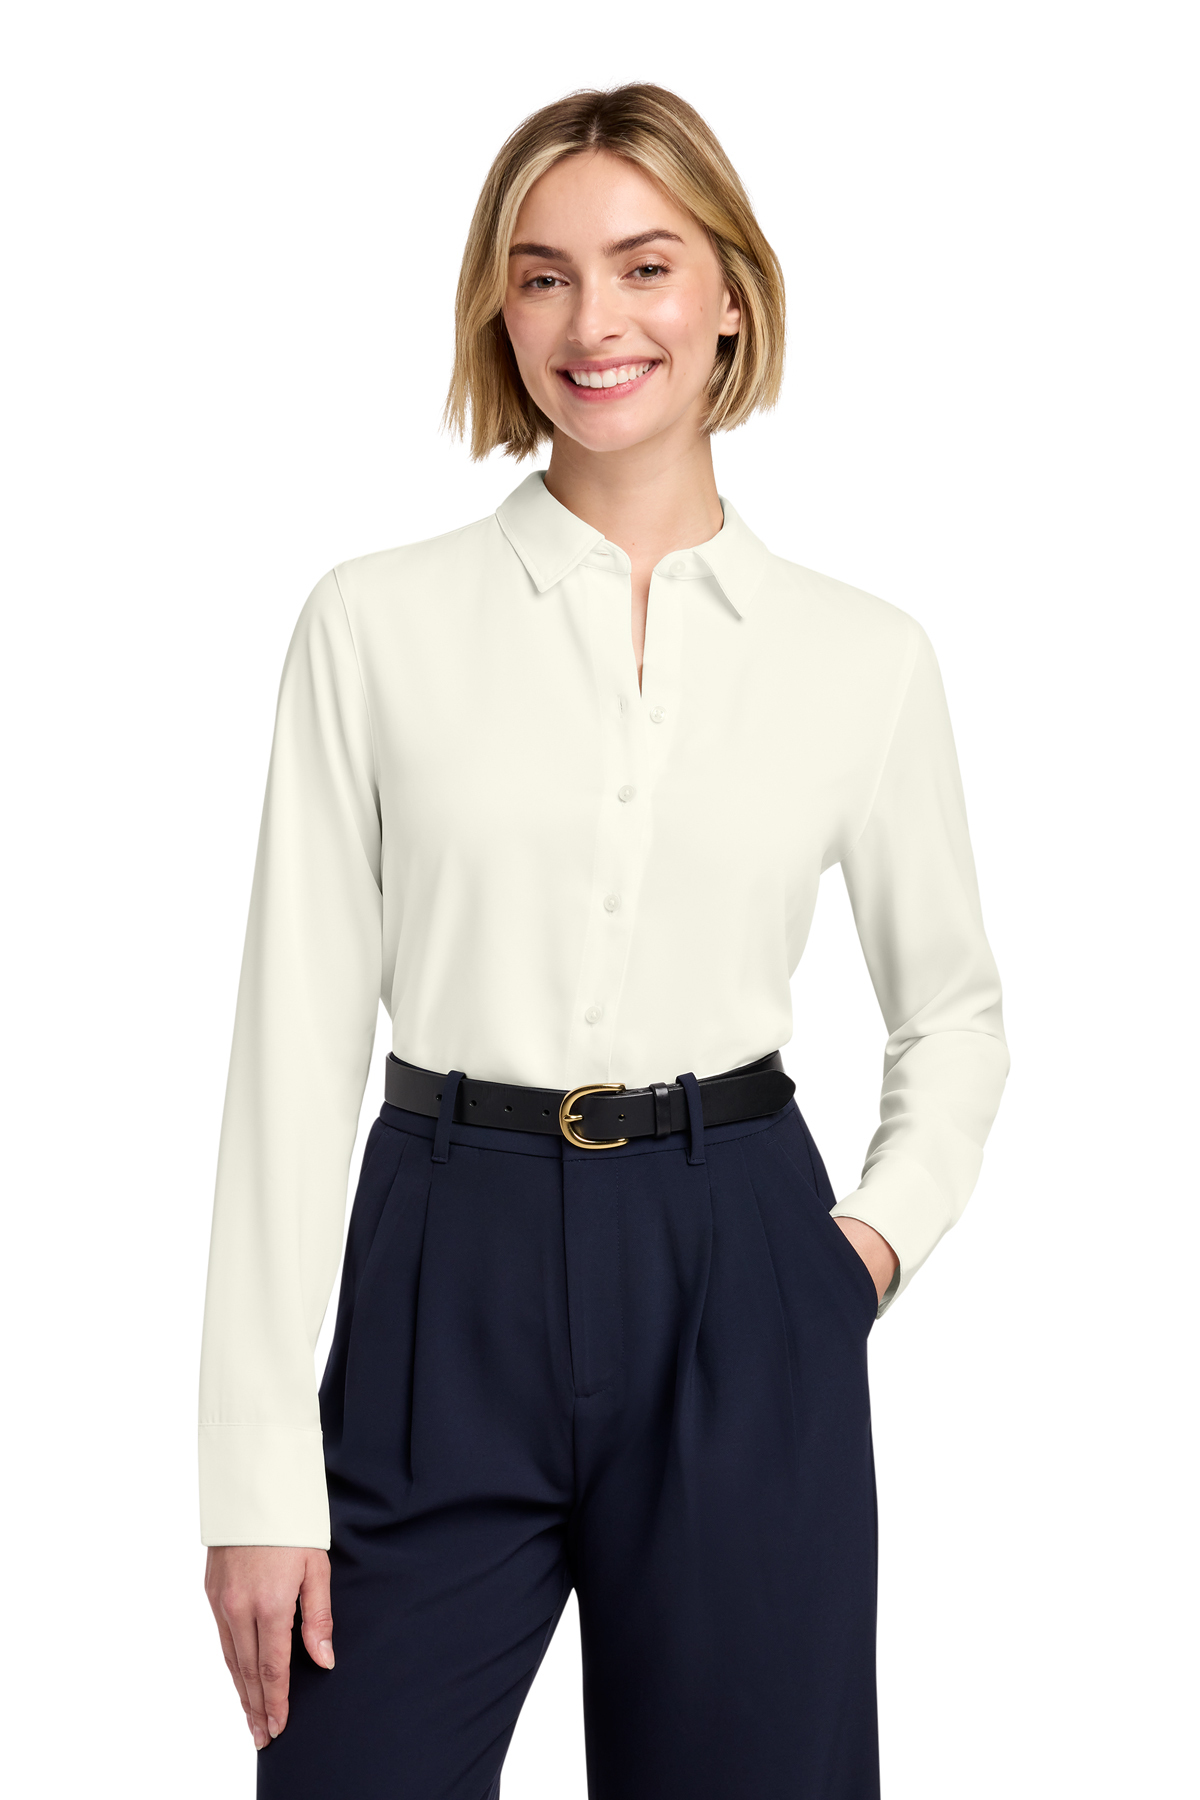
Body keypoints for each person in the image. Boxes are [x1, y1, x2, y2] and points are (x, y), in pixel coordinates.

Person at [200, 83, 1008, 1800]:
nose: (595, 322)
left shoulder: (861, 656)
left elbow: (954, 1011)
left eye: (645, 266)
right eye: (543, 274)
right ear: (500, 311)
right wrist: (255, 1475)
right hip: (443, 1261)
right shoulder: (375, 625)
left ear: (732, 298)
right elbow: (290, 1053)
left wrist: (858, 1254)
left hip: (742, 1260)